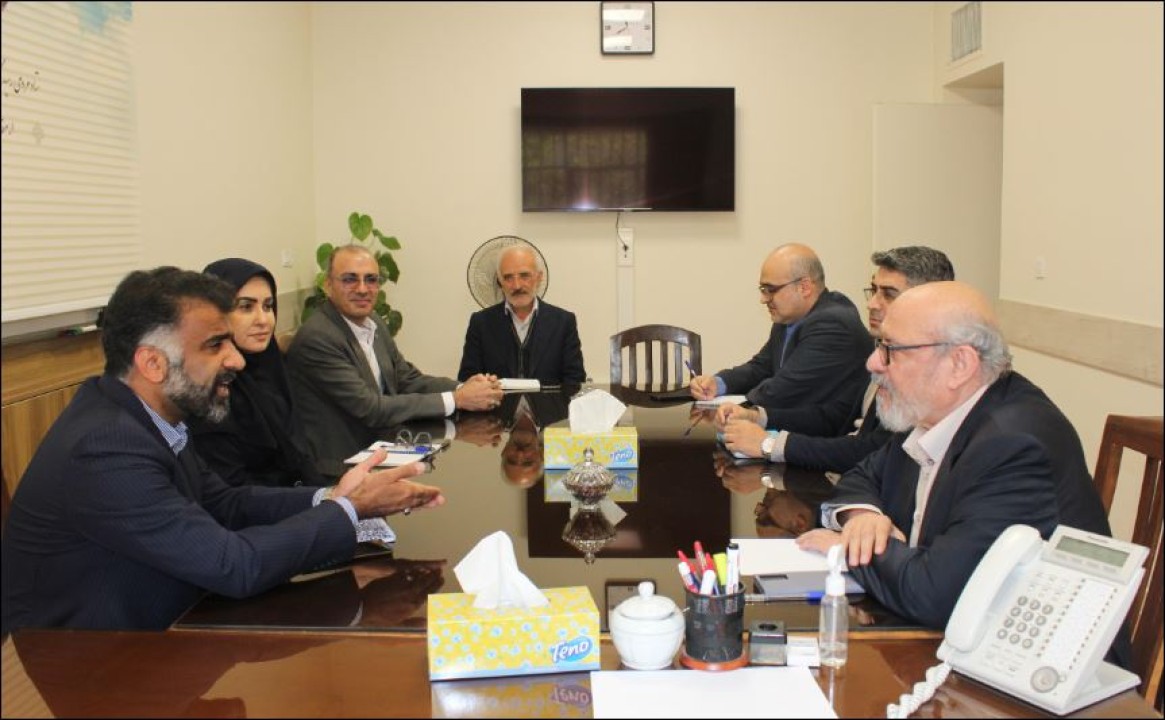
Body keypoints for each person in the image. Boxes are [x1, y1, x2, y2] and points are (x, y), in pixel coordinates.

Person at [1, 267, 445, 634]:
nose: (236, 360)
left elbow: (225, 503)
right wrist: (349, 510)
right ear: (153, 363)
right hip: (79, 666)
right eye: (216, 345)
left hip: (163, 629)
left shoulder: (149, 416)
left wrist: (332, 496)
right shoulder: (106, 449)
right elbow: (234, 565)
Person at [796, 281, 1112, 630]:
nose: (873, 362)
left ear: (959, 364)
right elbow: (863, 474)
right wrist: (862, 517)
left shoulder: (1013, 445)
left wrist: (850, 550)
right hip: (945, 635)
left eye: (891, 349)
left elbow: (934, 595)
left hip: (1028, 653)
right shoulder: (932, 412)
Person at [719, 246, 955, 473]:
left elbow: (873, 450)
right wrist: (758, 416)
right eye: (874, 290)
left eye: (888, 294)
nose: (871, 304)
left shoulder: (931, 369)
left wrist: (769, 444)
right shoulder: (885, 349)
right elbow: (838, 416)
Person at [286, 245, 503, 476]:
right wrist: (457, 399)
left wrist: (466, 389)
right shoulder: (319, 338)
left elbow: (406, 379)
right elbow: (370, 408)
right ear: (328, 285)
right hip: (339, 469)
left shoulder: (374, 322)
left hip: (380, 451)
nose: (362, 289)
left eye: (371, 279)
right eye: (350, 279)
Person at [689, 243, 871, 435]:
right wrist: (718, 383)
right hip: (793, 428)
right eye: (763, 289)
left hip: (826, 439)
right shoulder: (790, 317)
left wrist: (738, 408)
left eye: (771, 289)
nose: (763, 299)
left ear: (804, 287)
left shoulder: (832, 323)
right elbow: (761, 367)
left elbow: (783, 390)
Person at [188, 258, 325, 487]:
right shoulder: (209, 388)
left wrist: (334, 497)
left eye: (268, 306)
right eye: (246, 307)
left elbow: (301, 457)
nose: (263, 320)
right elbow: (229, 490)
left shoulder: (273, 368)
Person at [457, 245, 586, 385]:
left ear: (539, 277)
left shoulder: (563, 322)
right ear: (500, 281)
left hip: (550, 400)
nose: (517, 285)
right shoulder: (481, 323)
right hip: (497, 400)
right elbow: (467, 381)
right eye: (508, 277)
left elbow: (575, 380)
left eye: (524, 276)